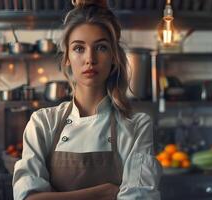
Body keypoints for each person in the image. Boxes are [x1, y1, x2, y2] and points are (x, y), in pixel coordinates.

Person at [12, 0, 162, 199]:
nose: (90, 58)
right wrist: (105, 192)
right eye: (79, 48)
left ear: (114, 57)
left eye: (101, 47)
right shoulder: (43, 123)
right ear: (67, 58)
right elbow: (27, 197)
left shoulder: (136, 125)